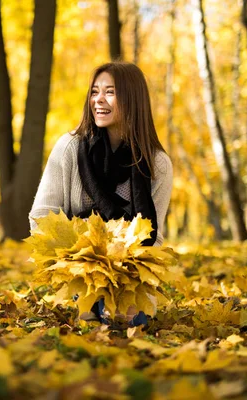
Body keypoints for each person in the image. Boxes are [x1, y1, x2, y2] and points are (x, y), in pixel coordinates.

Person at [29, 61, 173, 325]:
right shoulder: (70, 148)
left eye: (110, 92)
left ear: (132, 99)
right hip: (76, 268)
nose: (98, 100)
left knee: (130, 320)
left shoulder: (157, 164)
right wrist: (82, 257)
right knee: (90, 318)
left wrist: (125, 278)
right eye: (95, 91)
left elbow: (155, 237)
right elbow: (41, 215)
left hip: (127, 272)